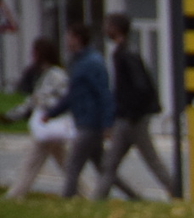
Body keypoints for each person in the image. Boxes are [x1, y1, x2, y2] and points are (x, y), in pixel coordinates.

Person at [96, 12, 177, 200]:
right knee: (111, 164)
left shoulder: (124, 55)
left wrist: (129, 113)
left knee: (145, 161)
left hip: (131, 119)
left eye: (107, 25)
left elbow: (138, 86)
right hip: (129, 117)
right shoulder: (124, 52)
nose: (104, 29)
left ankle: (176, 192)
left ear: (115, 29)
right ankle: (174, 192)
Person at [51, 24, 120, 199]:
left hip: (91, 122)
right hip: (83, 119)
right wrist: (52, 113)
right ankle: (134, 197)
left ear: (77, 38)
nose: (66, 40)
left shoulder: (92, 62)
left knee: (73, 164)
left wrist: (107, 123)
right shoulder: (76, 61)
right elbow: (73, 94)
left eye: (69, 36)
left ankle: (66, 200)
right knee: (104, 168)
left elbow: (104, 93)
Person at [7, 40, 73, 199]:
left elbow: (54, 99)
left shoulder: (55, 75)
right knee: (66, 165)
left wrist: (15, 115)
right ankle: (86, 194)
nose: (32, 56)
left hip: (49, 124)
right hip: (48, 126)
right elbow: (36, 99)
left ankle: (15, 195)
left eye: (34, 52)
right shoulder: (46, 74)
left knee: (32, 162)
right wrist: (13, 115)